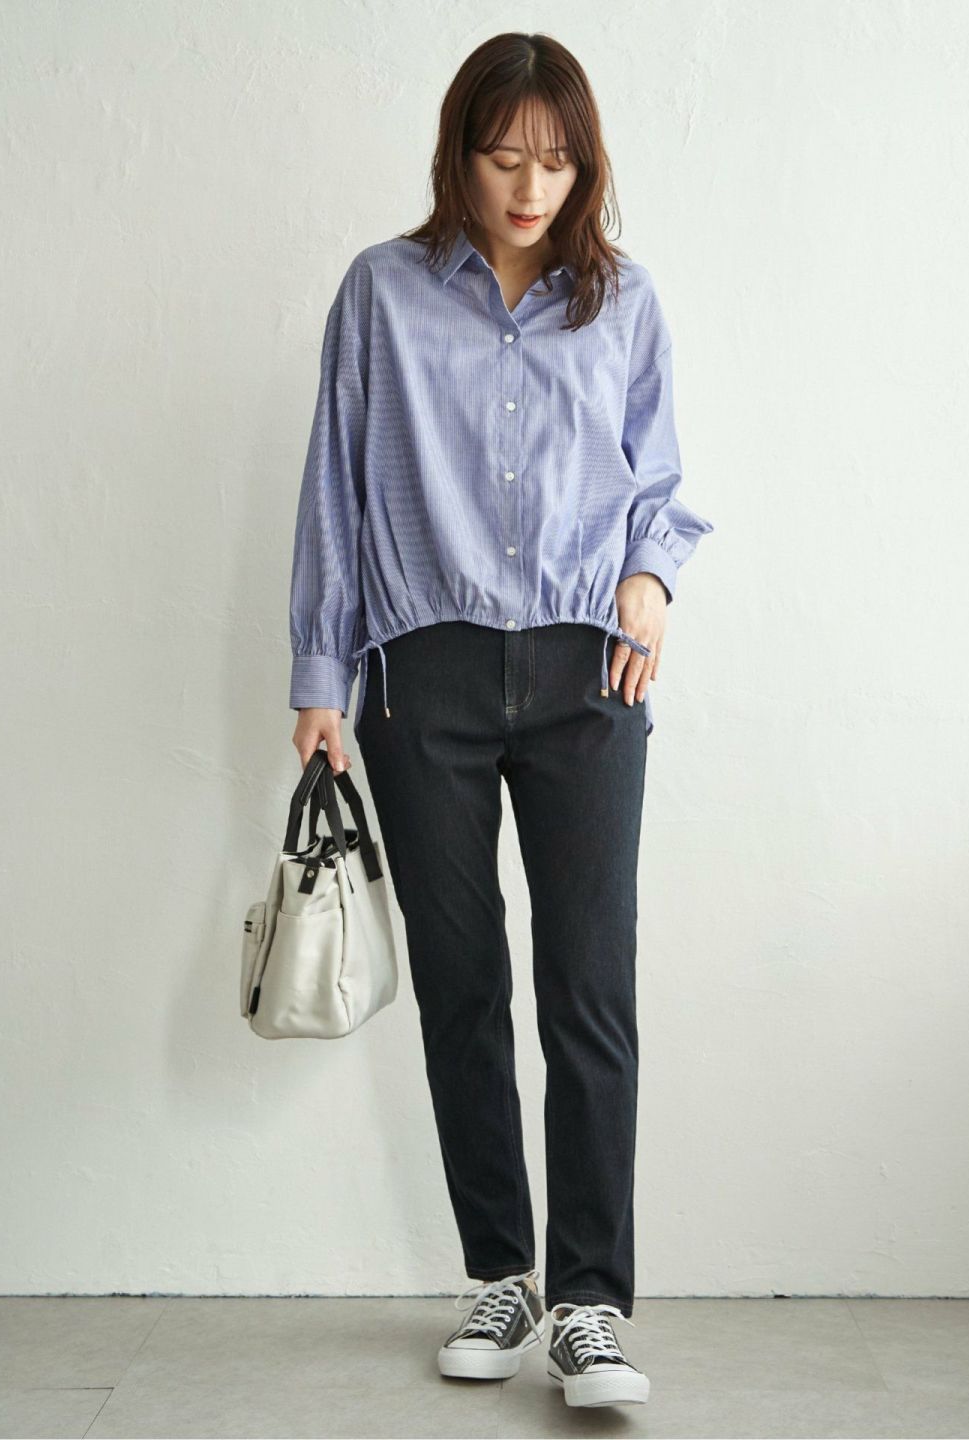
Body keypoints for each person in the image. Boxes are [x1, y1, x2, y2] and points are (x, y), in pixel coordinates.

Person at [287, 32, 713, 1409]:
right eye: (504, 156)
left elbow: (662, 485)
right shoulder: (383, 292)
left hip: (593, 676)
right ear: (458, 155)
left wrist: (649, 578)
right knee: (464, 987)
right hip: (426, 675)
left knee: (590, 985)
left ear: (585, 166)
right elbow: (336, 486)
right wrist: (319, 677)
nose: (531, 188)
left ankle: (590, 1302)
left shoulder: (622, 301)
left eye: (557, 160)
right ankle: (501, 1275)